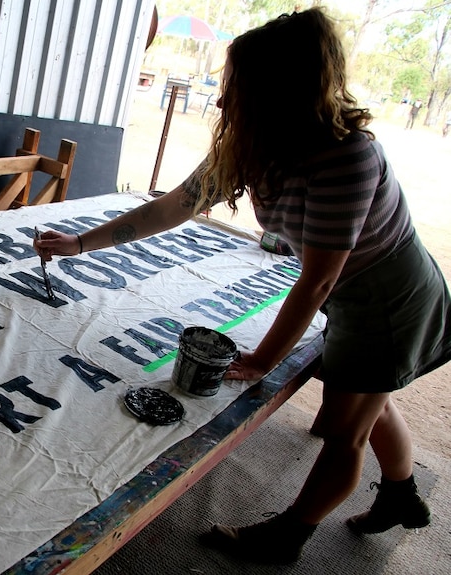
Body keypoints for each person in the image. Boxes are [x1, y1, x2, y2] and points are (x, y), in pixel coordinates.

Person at [35, 8, 450, 565]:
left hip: (390, 299)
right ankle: (401, 497)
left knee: (345, 427)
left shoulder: (348, 155)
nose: (223, 100)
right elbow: (173, 206)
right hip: (354, 292)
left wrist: (263, 358)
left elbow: (319, 278)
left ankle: (288, 537)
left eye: (237, 87)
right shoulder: (257, 144)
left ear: (280, 93)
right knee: (369, 399)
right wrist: (82, 244)